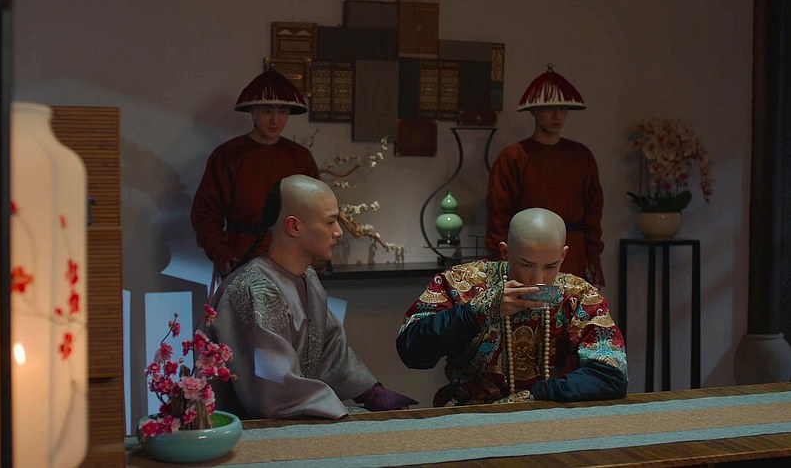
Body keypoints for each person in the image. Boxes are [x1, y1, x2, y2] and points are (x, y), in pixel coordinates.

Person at [209, 174, 418, 419]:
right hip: (248, 426)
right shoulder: (256, 288)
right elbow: (273, 386)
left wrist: (370, 392)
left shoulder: (307, 277)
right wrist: (339, 408)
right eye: (330, 222)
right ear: (294, 226)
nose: (338, 232)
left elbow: (329, 346)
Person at [397, 207, 627, 406]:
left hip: (547, 411)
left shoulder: (577, 294)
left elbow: (612, 375)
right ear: (505, 252)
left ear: (563, 255)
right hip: (470, 413)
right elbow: (411, 351)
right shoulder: (462, 282)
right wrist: (478, 311)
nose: (538, 280)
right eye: (526, 265)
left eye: (550, 266)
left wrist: (538, 395)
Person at [191, 69, 320, 277]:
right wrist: (220, 251)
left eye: (283, 112)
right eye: (267, 111)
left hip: (293, 258)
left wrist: (315, 250)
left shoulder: (300, 157)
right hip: (242, 257)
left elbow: (316, 211)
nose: (275, 120)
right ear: (253, 111)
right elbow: (206, 212)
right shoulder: (228, 156)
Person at [485, 64, 606, 287]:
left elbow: (593, 215)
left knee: (571, 308)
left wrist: (593, 260)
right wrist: (499, 267)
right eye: (549, 107)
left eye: (563, 108)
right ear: (534, 110)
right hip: (526, 256)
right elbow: (498, 217)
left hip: (572, 252)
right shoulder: (513, 157)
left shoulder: (581, 156)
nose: (557, 115)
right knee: (526, 307)